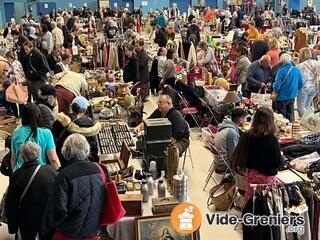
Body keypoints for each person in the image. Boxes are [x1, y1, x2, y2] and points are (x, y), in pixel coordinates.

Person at [41, 134, 108, 239]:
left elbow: (58, 212)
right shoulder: (101, 169)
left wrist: (47, 227)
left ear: (65, 152)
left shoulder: (64, 176)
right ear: (87, 149)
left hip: (68, 235)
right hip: (92, 232)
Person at [6, 141, 57, 240]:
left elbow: (11, 204)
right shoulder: (51, 171)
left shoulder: (17, 176)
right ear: (39, 153)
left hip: (27, 221)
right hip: (48, 220)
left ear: (23, 156)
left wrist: (13, 228)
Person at [235, 107, 282, 205]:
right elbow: (277, 162)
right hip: (267, 177)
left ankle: (250, 215)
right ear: (271, 121)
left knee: (251, 198)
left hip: (251, 174)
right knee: (267, 202)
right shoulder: (272, 139)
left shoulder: (248, 135)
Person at [52, 96, 101, 168]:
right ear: (84, 110)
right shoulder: (90, 127)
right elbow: (94, 151)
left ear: (72, 107)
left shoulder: (61, 121)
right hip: (85, 165)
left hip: (64, 163)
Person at [11, 103, 61, 172]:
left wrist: (14, 173)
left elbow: (13, 158)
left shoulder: (16, 132)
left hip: (20, 171)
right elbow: (53, 159)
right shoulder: (46, 133)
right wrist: (59, 174)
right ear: (39, 116)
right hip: (38, 172)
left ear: (22, 117)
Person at [213, 108, 247, 173]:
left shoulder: (225, 126)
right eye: (245, 118)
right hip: (223, 165)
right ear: (240, 120)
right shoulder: (232, 132)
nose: (246, 120)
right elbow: (234, 155)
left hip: (218, 161)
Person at [273, 53, 304, 122]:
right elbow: (301, 84)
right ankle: (290, 129)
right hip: (292, 96)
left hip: (282, 97)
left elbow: (277, 86)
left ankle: (283, 131)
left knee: (281, 117)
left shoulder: (281, 71)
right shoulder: (296, 69)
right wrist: (294, 89)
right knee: (290, 115)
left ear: (281, 61)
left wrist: (273, 86)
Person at [297, 47, 320, 117]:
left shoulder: (300, 66)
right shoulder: (316, 63)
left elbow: (300, 78)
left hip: (305, 87)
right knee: (307, 106)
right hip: (314, 87)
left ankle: (307, 121)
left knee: (300, 106)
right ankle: (309, 121)